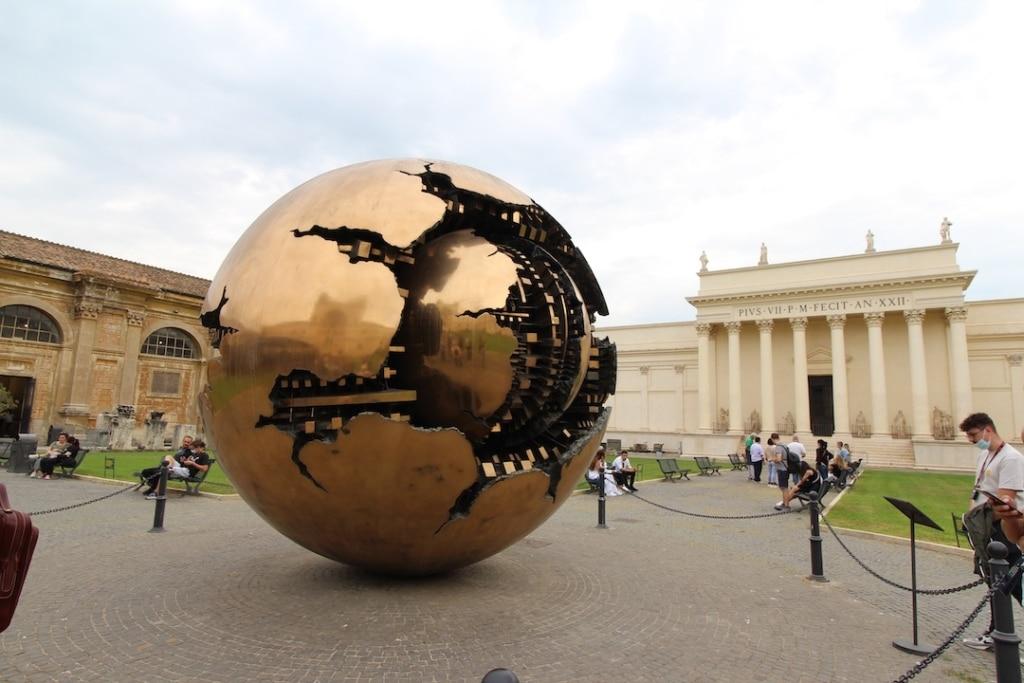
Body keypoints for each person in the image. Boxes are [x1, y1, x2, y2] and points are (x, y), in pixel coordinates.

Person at [957, 413, 1024, 651]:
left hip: (1004, 529)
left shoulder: (1011, 458)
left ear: (988, 430)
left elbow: (1005, 499)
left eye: (974, 435)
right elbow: (980, 491)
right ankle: (997, 632)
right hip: (985, 528)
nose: (972, 441)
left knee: (1015, 584)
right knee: (995, 583)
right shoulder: (985, 456)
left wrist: (984, 519)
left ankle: (1001, 633)